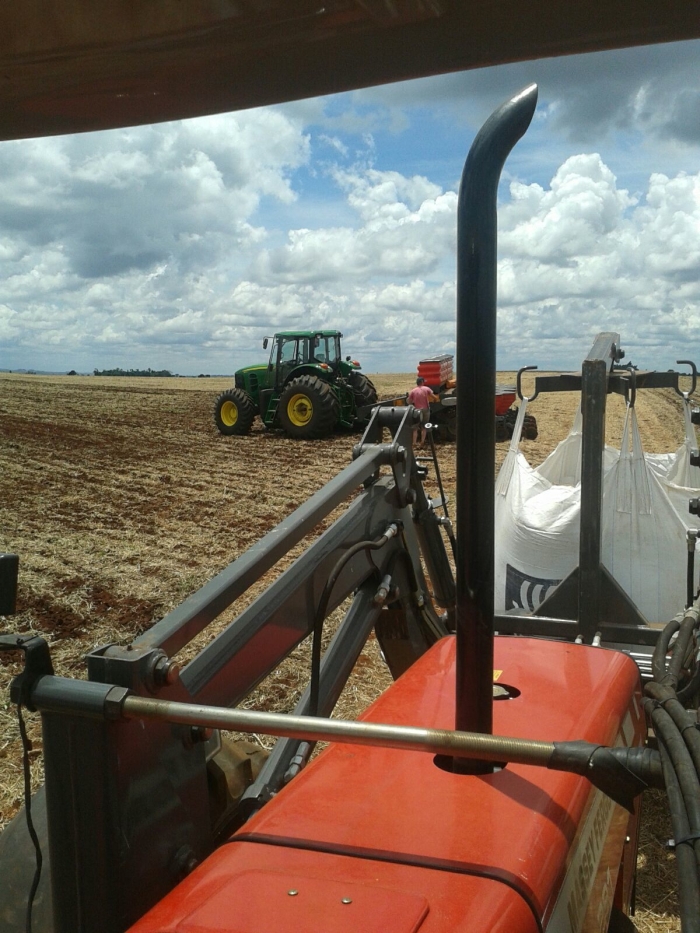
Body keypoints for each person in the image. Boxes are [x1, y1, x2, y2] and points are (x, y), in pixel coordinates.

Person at [407, 376, 434, 447]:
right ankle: (422, 442)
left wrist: (413, 404)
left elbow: (409, 401)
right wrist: (435, 399)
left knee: (415, 428)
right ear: (422, 382)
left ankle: (414, 443)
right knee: (424, 427)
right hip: (425, 409)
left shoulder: (413, 391)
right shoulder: (426, 389)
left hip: (417, 411)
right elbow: (433, 396)